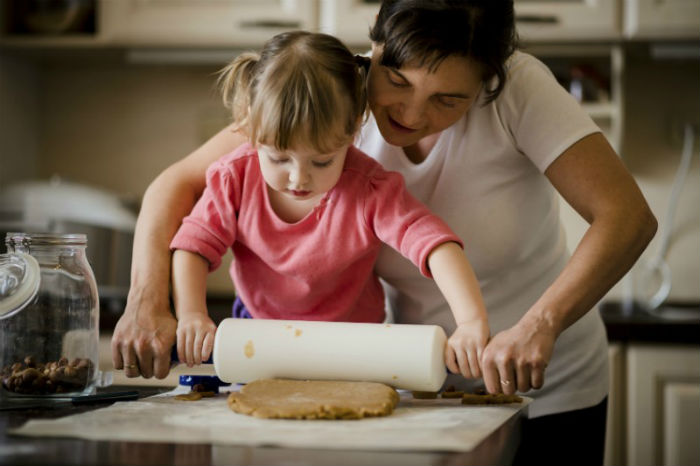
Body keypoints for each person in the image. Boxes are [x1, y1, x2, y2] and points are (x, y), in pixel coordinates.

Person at [112, 1, 657, 464]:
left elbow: (628, 217)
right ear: (373, 46)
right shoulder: (332, 94)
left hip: (545, 381)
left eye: (449, 99)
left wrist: (539, 324)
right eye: (395, 80)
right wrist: (149, 301)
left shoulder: (521, 90)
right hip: (419, 383)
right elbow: (177, 185)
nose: (411, 114)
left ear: (490, 80)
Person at [167, 30, 489, 374]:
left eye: (322, 162)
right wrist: (192, 315)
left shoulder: (369, 189)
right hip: (259, 344)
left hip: (353, 350)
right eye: (278, 159)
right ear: (250, 126)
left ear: (353, 130)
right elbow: (194, 247)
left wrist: (470, 321)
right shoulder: (234, 178)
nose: (298, 178)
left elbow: (434, 244)